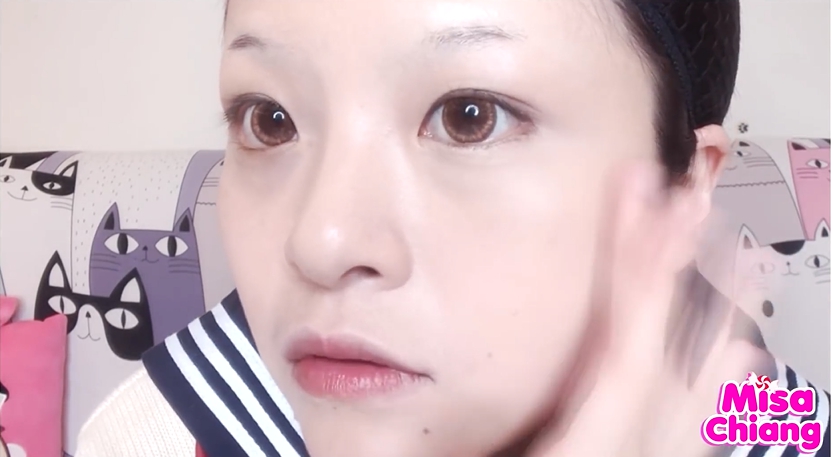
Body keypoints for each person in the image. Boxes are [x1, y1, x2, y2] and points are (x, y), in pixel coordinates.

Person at [76, 1, 830, 456]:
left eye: (470, 118)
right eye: (270, 121)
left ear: (686, 182)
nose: (320, 241)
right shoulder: (155, 432)